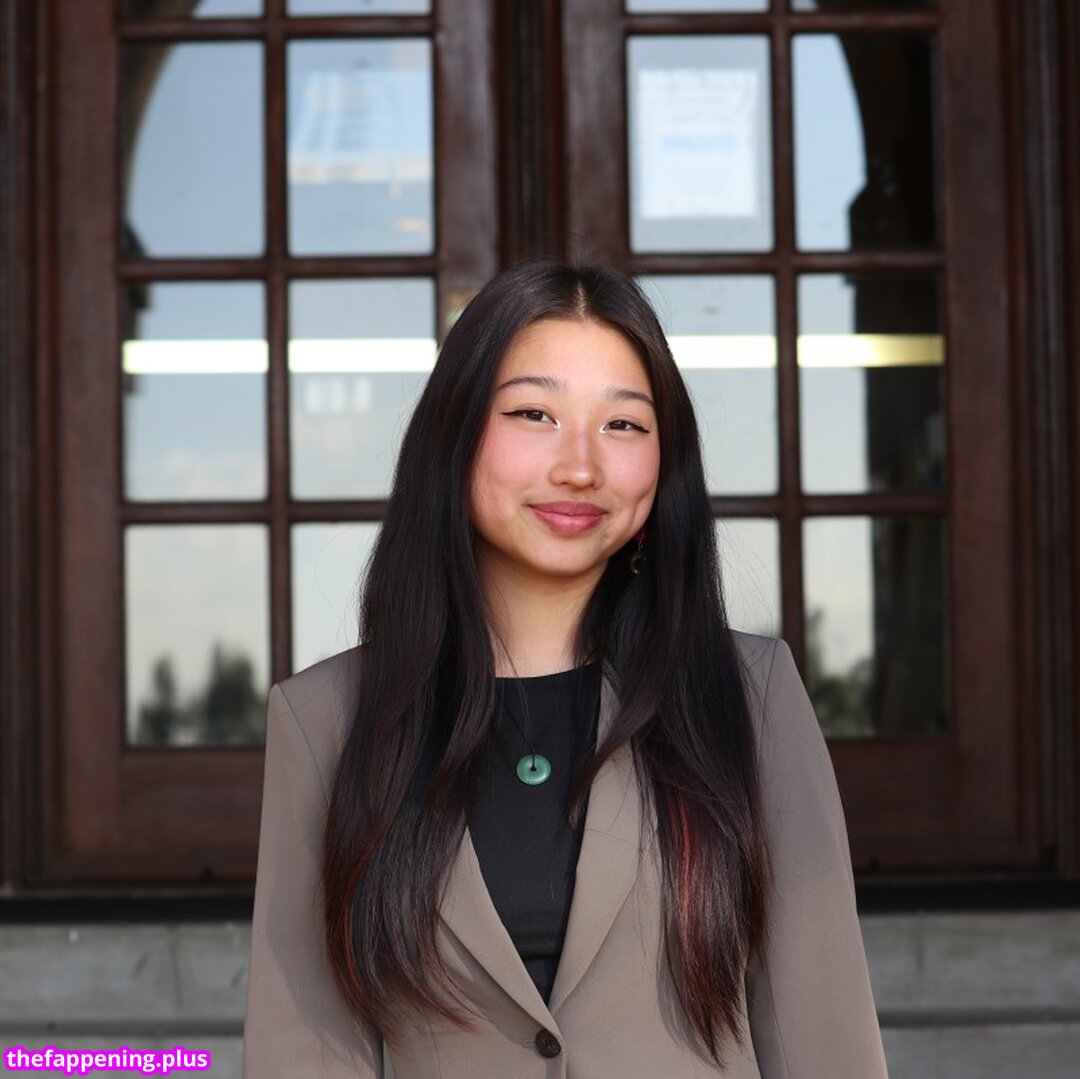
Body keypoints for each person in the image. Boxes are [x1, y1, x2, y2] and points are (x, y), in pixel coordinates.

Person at [242, 259, 889, 1078]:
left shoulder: (748, 694)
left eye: (623, 424)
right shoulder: (326, 720)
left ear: (665, 461)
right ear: (453, 437)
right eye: (533, 414)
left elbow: (827, 1037)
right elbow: (303, 1050)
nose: (580, 465)